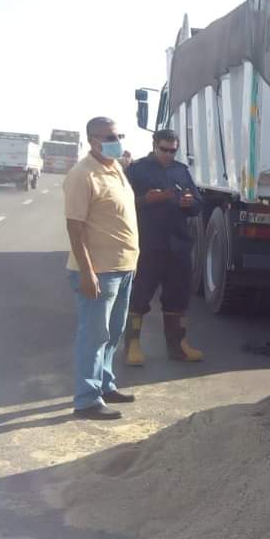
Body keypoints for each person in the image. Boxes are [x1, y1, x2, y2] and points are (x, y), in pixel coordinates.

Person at [63, 116, 139, 420]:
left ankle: (105, 385)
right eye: (110, 137)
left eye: (118, 135)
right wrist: (87, 272)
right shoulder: (82, 175)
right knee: (94, 337)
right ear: (92, 140)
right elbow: (75, 228)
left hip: (123, 267)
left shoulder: (114, 168)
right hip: (99, 271)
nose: (116, 141)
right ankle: (86, 400)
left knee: (113, 332)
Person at [123, 128, 204, 364]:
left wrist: (190, 203)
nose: (169, 154)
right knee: (140, 294)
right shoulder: (137, 170)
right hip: (148, 244)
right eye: (164, 150)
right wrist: (146, 200)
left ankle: (178, 346)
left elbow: (198, 204)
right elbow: (121, 204)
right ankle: (132, 345)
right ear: (154, 145)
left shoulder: (181, 171)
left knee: (178, 296)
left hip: (178, 244)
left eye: (173, 151)